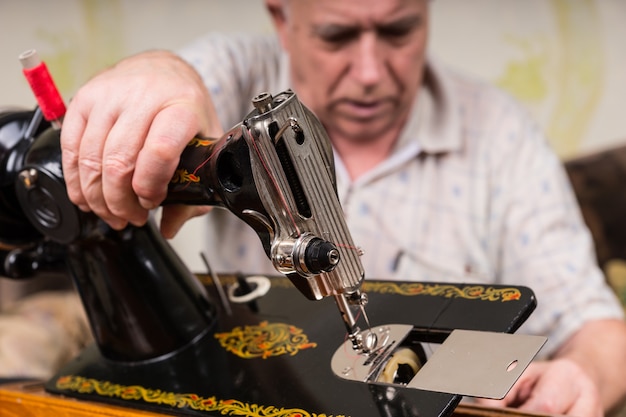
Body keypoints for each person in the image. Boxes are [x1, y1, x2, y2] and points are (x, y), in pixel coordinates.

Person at [57, 0, 626, 415]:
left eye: (399, 30)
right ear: (281, 19)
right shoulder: (242, 76)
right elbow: (180, 76)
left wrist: (584, 376)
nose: (372, 72)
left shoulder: (500, 134)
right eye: (336, 36)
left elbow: (598, 326)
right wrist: (160, 75)